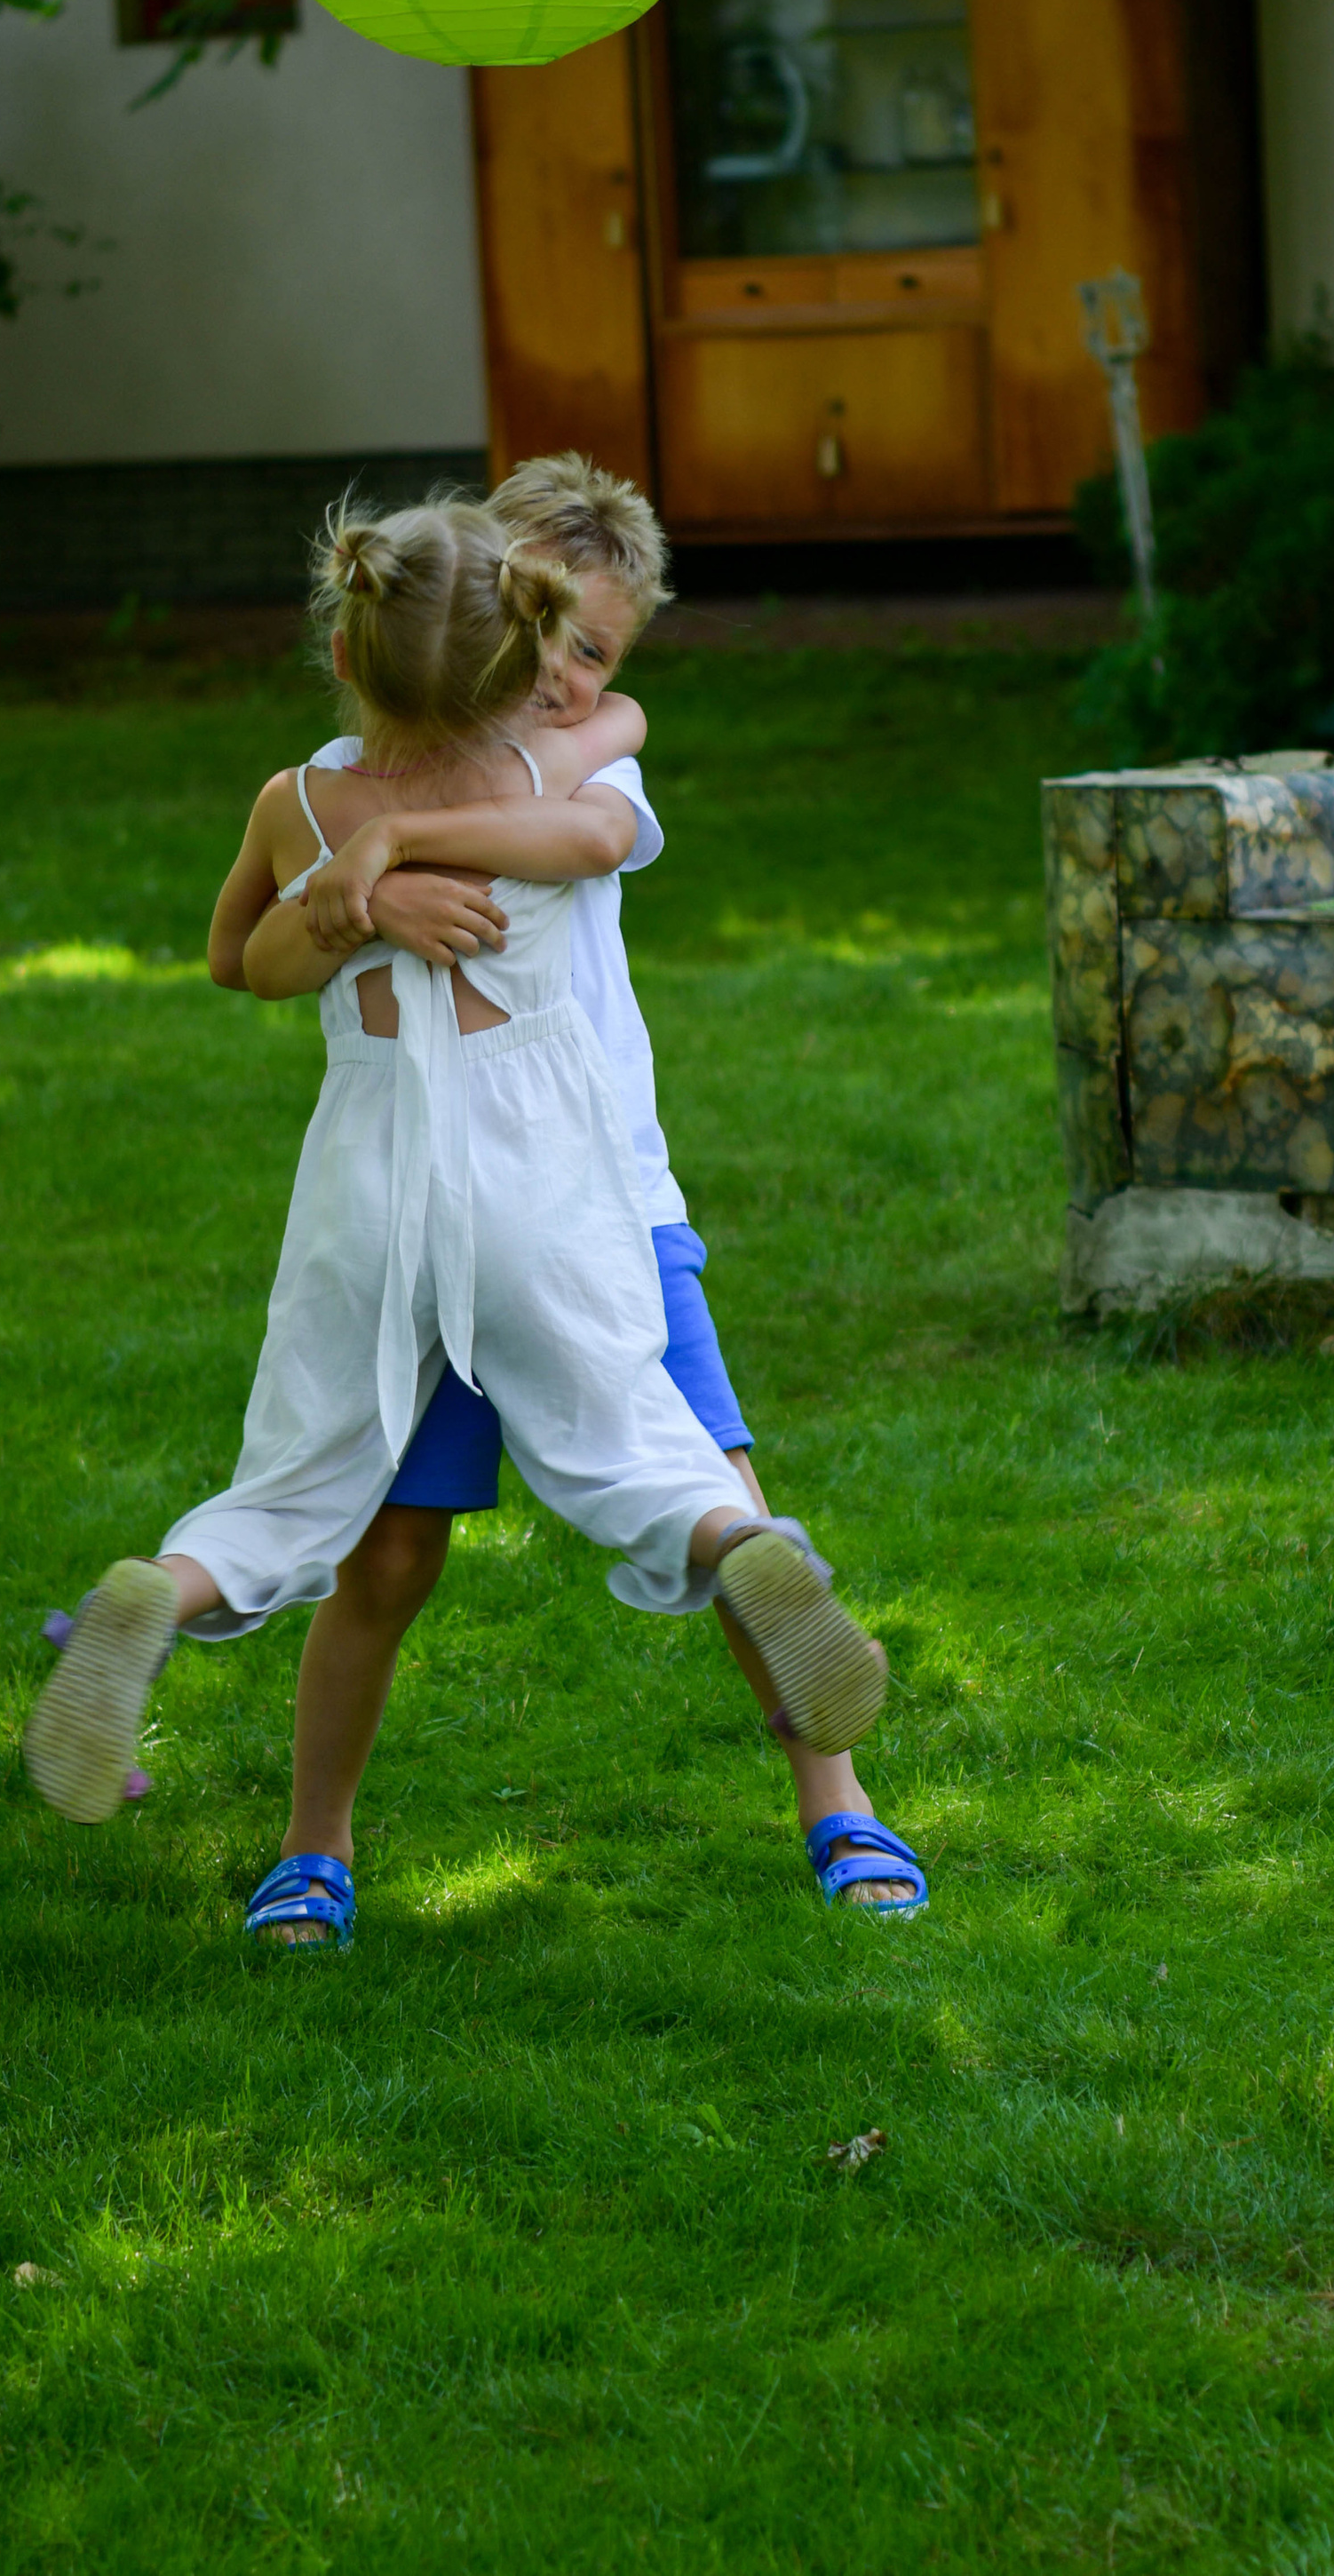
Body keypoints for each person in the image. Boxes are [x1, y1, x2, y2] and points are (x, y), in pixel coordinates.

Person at [22, 496, 890, 1940]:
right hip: (543, 1181)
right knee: (632, 1436)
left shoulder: (296, 801)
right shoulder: (541, 775)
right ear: (518, 659)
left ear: (347, 652)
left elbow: (240, 962)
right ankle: (725, 1543)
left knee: (306, 1478)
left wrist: (357, 873)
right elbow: (609, 783)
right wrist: (391, 883)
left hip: (369, 1190)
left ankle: (168, 1590)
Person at [247, 451, 925, 1931]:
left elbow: (594, 803)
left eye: (597, 654)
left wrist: (394, 848)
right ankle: (314, 1844)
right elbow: (260, 951)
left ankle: (840, 1800)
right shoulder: (350, 775)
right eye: (545, 636)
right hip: (425, 1226)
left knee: (723, 1504)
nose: (565, 679)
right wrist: (364, 882)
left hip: (609, 1211)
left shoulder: (581, 763)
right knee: (387, 1554)